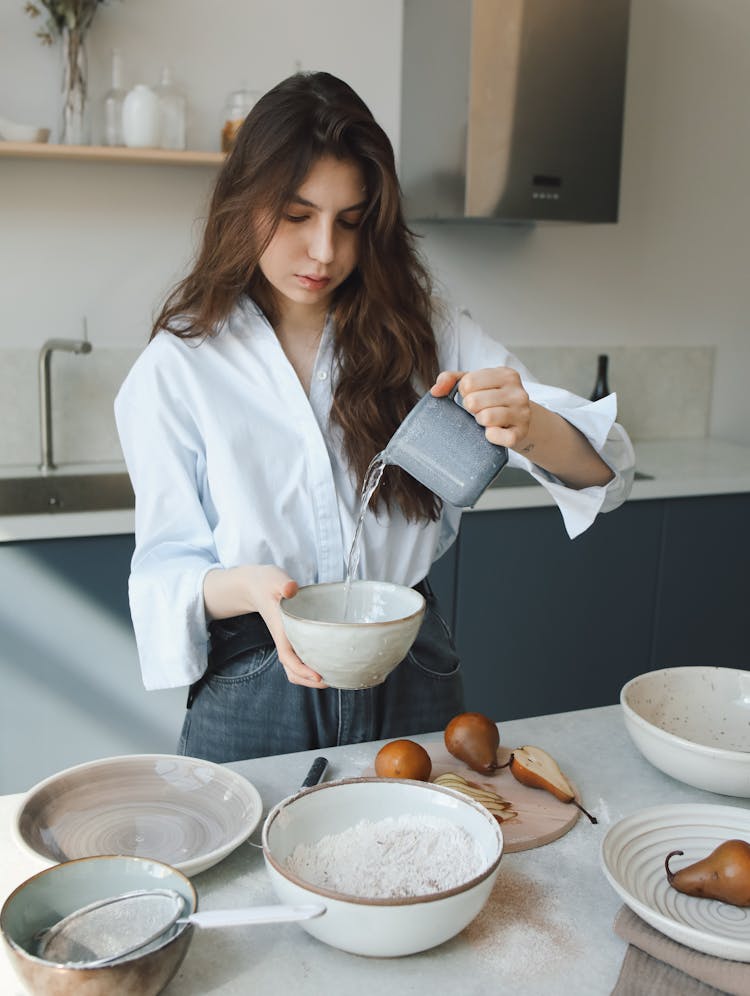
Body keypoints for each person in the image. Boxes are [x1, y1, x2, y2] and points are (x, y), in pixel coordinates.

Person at [114, 71, 635, 763]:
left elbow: (607, 468)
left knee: (421, 863)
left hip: (410, 666)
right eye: (297, 216)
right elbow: (162, 576)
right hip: (260, 673)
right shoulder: (181, 366)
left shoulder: (425, 333)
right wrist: (251, 589)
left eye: (349, 222)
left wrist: (530, 424)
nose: (324, 251)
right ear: (243, 205)